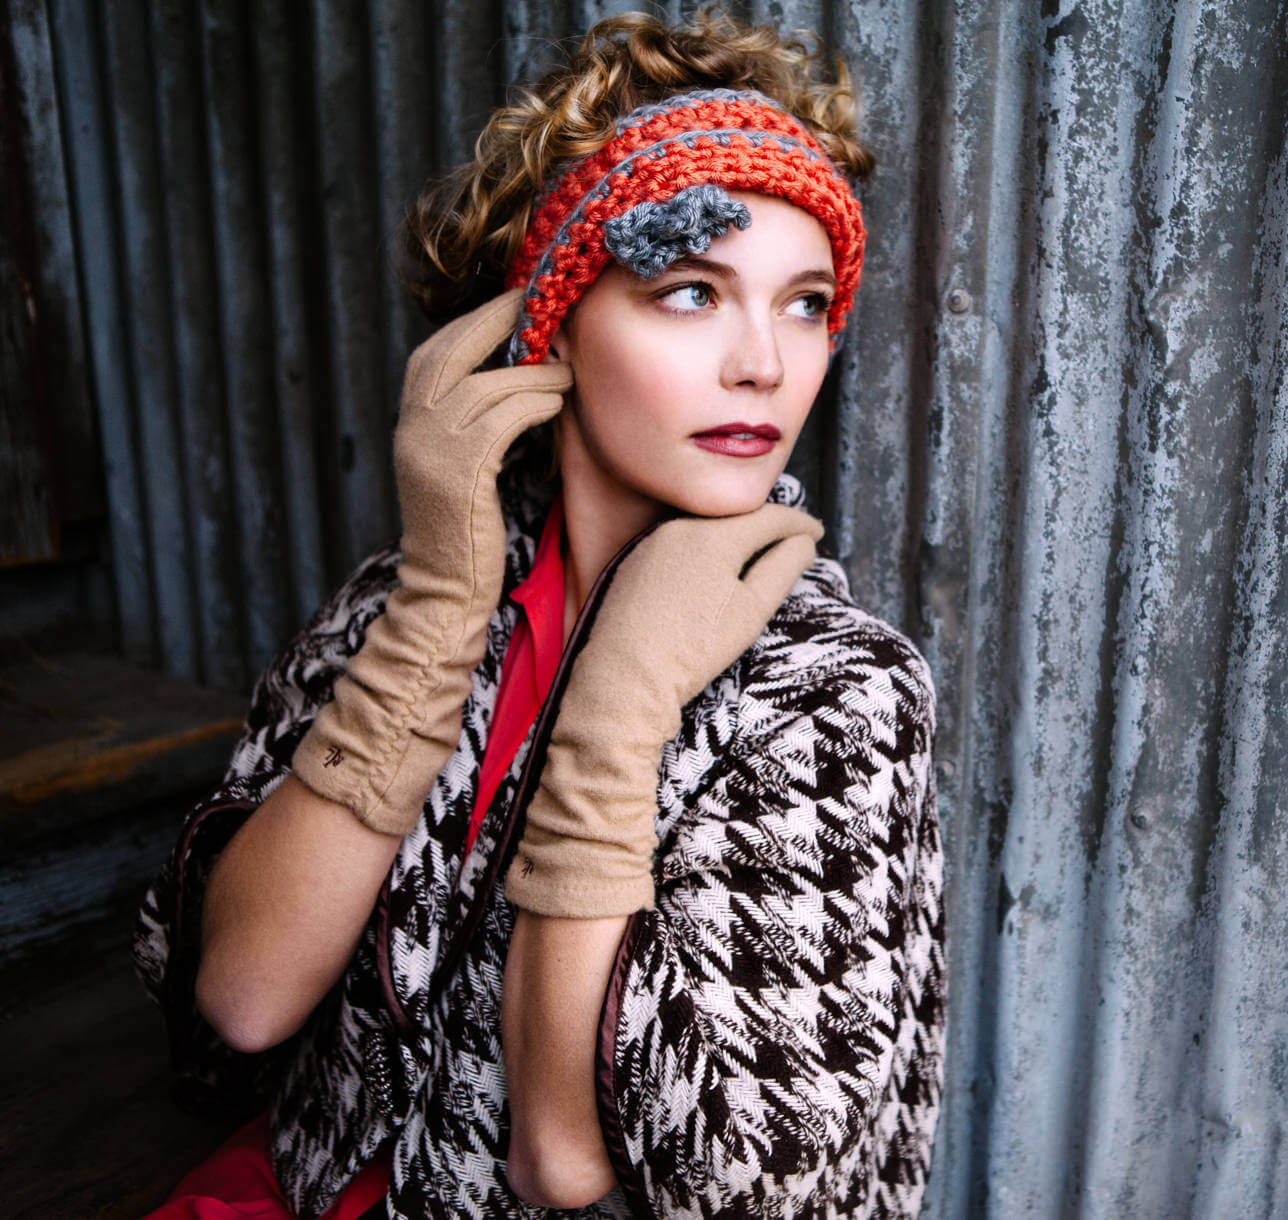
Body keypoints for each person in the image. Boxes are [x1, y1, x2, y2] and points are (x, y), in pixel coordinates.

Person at [131, 11, 944, 1218]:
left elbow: (564, 1160)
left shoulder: (838, 693)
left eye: (806, 302)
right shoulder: (400, 599)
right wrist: (433, 619)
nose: (766, 365)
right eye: (689, 291)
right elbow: (243, 998)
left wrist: (615, 725)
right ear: (548, 322)